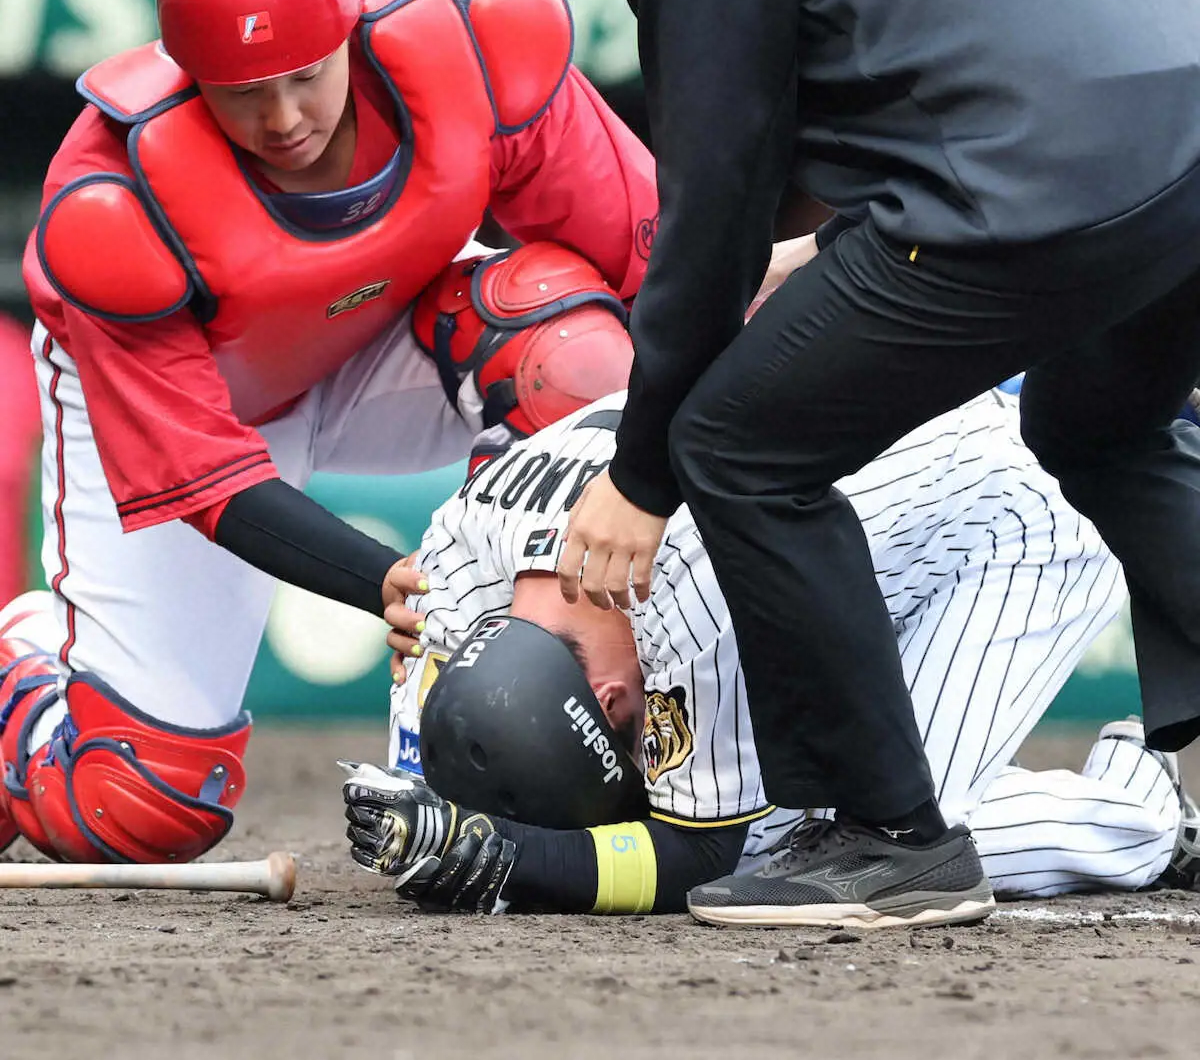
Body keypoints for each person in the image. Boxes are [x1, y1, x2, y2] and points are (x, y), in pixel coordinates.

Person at [483, 0, 1200, 926]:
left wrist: (641, 476)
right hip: (1179, 137)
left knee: (733, 444)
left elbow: (714, 212)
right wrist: (824, 247)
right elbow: (991, 38)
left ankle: (890, 839)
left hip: (1038, 184)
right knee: (1101, 430)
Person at [0, 0, 655, 866]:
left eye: (305, 74)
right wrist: (375, 579)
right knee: (140, 806)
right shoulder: (114, 205)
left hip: (378, 347)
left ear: (348, 31)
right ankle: (28, 655)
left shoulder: (475, 64)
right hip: (210, 415)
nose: (280, 118)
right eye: (239, 88)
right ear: (187, 73)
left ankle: (557, 703)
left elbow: (654, 274)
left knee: (575, 353)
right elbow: (213, 482)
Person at [341, 385, 1200, 921]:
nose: (641, 745)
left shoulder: (678, 588)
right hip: (861, 517)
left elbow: (698, 854)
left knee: (883, 842)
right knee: (800, 821)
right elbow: (445, 746)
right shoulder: (454, 555)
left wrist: (508, 858)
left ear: (608, 702)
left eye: (629, 738)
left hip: (1014, 514)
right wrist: (423, 816)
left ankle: (1143, 812)